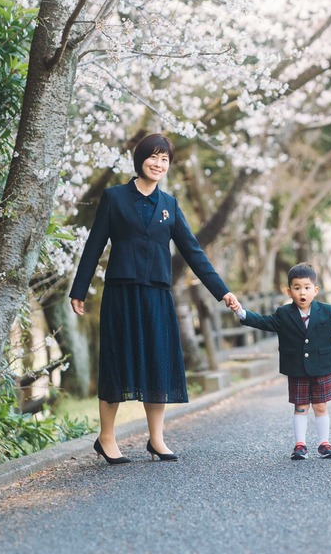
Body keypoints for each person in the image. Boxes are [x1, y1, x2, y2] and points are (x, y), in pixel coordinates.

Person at [69, 133, 237, 464]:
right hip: (121, 292)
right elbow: (94, 244)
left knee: (158, 362)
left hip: (158, 294)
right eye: (153, 157)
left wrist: (223, 291)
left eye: (165, 160)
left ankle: (157, 439)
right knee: (117, 361)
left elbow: (193, 252)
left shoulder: (170, 206)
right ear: (139, 159)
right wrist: (79, 288)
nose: (158, 164)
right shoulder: (115, 198)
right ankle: (106, 438)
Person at [225, 264, 331, 460]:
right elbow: (262, 321)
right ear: (289, 292)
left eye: (306, 287)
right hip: (296, 368)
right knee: (300, 406)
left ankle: (324, 443)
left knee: (320, 406)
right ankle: (300, 445)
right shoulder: (283, 314)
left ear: (315, 290)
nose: (302, 292)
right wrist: (241, 312)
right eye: (297, 288)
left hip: (321, 367)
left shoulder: (327, 311)